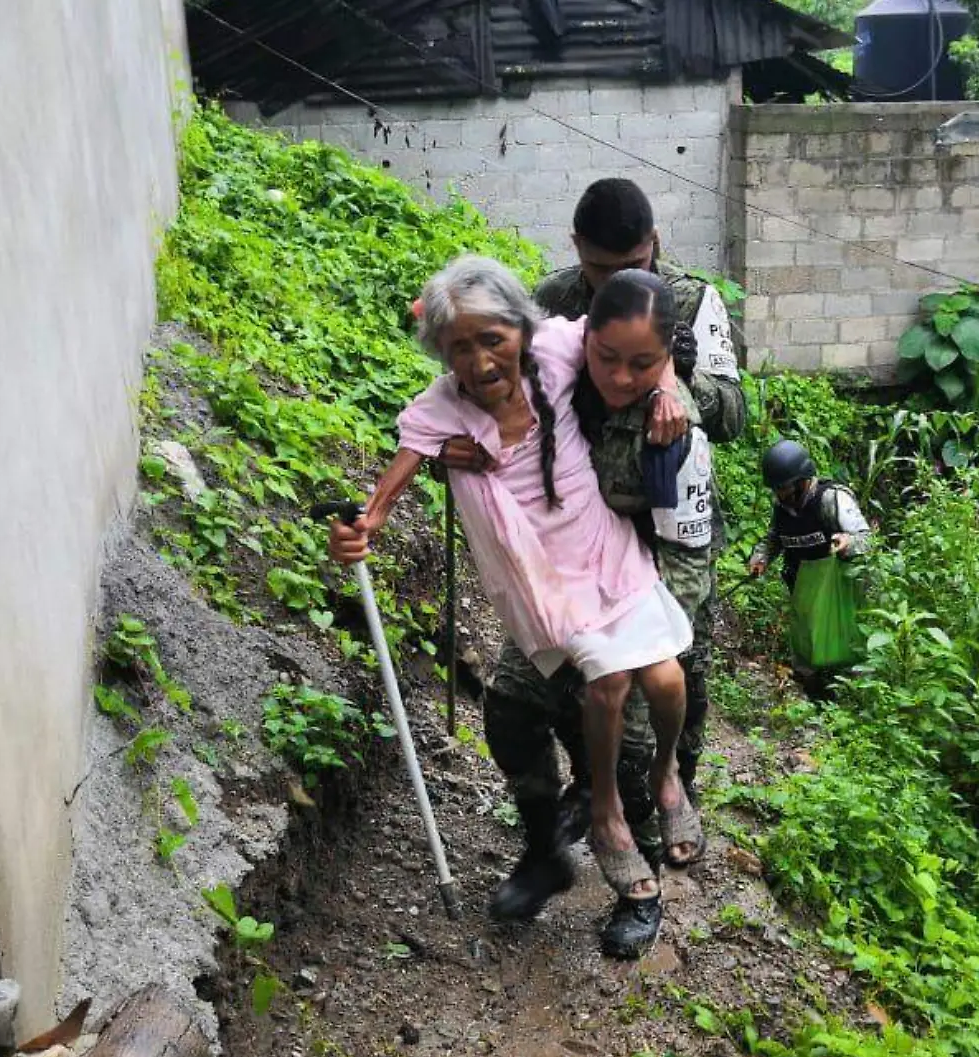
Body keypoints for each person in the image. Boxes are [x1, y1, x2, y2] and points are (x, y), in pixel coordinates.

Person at [325, 256, 701, 958]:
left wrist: (670, 382)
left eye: (491, 339)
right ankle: (574, 848)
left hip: (612, 549)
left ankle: (650, 818)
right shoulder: (448, 408)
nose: (479, 358)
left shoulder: (568, 349)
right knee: (555, 701)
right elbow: (384, 496)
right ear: (441, 351)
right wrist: (360, 528)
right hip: (543, 577)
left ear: (522, 330)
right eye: (458, 346)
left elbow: (642, 340)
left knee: (652, 690)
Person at [440, 270, 724, 870]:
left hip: (640, 588)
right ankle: (546, 849)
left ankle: (636, 861)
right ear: (584, 336)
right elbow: (465, 386)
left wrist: (623, 637)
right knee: (512, 712)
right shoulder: (551, 376)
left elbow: (687, 556)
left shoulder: (672, 429)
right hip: (560, 583)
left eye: (643, 364)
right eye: (607, 357)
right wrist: (456, 450)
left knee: (632, 729)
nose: (621, 377)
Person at [533, 178, 747, 445]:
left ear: (654, 242)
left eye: (633, 265)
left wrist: (686, 376)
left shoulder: (691, 300)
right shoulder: (552, 298)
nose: (617, 280)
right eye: (601, 268)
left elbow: (733, 418)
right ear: (577, 245)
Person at [747, 440, 871, 697]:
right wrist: (761, 559)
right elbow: (774, 538)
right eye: (776, 489)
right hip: (803, 591)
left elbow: (866, 539)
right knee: (805, 655)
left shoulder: (831, 499)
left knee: (845, 655)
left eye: (784, 488)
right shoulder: (783, 508)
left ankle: (850, 697)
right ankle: (811, 697)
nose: (779, 495)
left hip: (837, 595)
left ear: (802, 480)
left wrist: (848, 542)